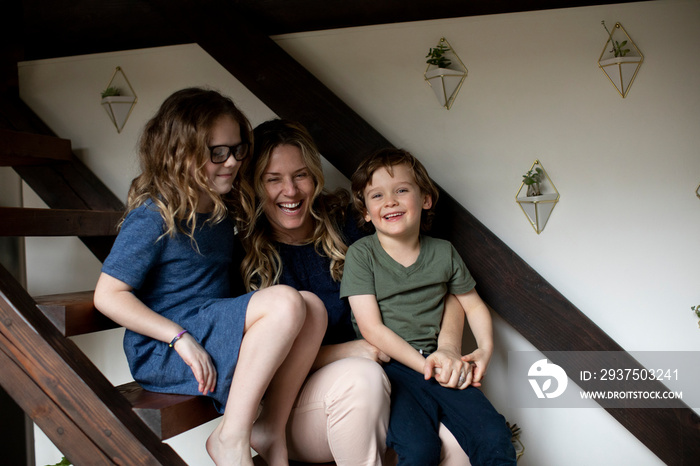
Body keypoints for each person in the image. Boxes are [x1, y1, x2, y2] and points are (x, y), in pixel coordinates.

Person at [93, 88, 327, 466]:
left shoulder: (218, 208)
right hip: (168, 350)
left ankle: (270, 428)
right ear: (180, 152)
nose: (232, 162)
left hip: (208, 330)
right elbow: (107, 295)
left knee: (312, 307)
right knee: (285, 299)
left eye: (237, 150)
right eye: (217, 152)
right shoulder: (154, 215)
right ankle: (231, 438)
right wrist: (178, 338)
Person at [239, 118, 473, 465]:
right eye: (273, 179)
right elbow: (249, 358)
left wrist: (449, 348)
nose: (290, 191)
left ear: (315, 176)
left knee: (459, 440)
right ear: (255, 185)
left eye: (300, 175)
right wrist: (350, 351)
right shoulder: (244, 252)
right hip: (294, 408)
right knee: (361, 378)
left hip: (389, 380)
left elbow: (445, 284)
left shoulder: (349, 225)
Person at [340, 148, 517, 466]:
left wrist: (485, 349)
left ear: (425, 199)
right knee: (420, 449)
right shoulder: (361, 255)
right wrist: (426, 366)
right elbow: (371, 328)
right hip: (391, 368)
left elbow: (473, 306)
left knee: (494, 437)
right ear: (365, 211)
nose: (390, 201)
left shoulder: (444, 253)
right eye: (377, 195)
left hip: (439, 363)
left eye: (402, 190)